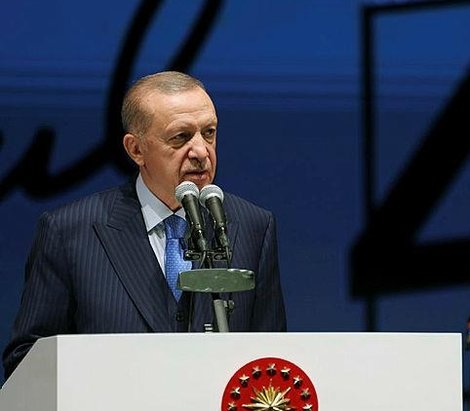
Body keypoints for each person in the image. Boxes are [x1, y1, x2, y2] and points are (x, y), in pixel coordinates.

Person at [2, 71, 286, 379]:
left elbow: (273, 363)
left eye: (209, 133)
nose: (201, 152)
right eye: (180, 137)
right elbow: (25, 361)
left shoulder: (252, 226)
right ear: (136, 149)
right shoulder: (69, 232)